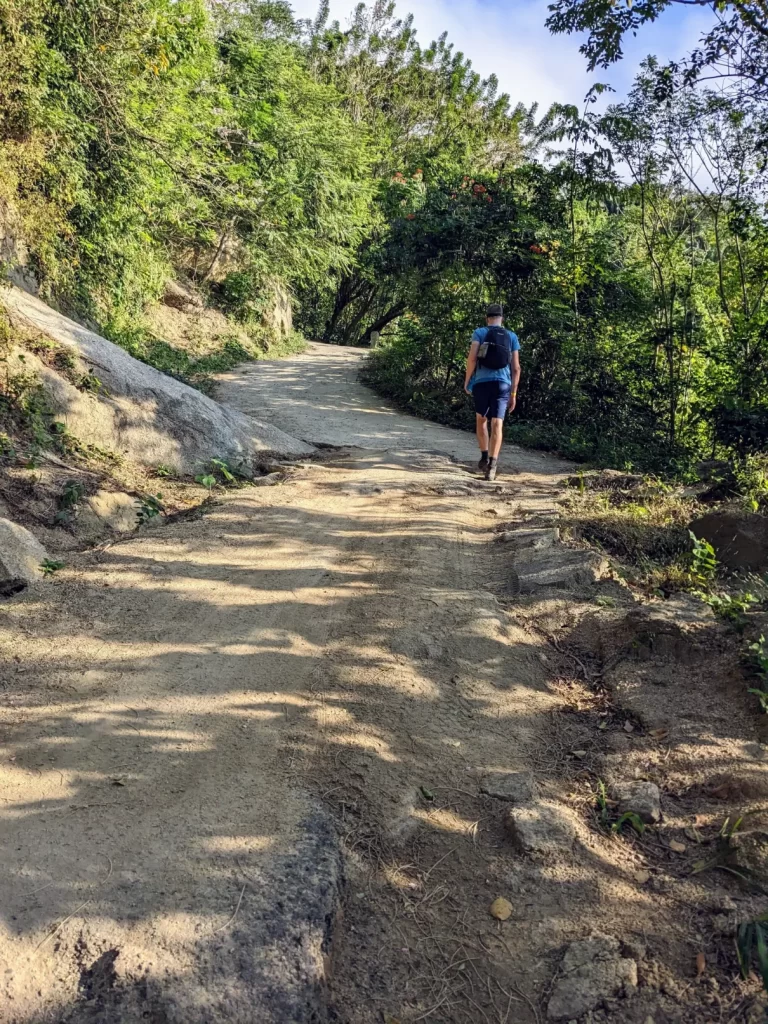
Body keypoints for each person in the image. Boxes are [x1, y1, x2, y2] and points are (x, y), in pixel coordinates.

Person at [464, 303, 520, 481]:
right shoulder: (511, 336)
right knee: (497, 423)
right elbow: (516, 368)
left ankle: (483, 456)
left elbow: (472, 358)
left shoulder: (479, 332)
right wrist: (513, 394)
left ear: (487, 318)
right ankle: (493, 465)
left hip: (482, 382)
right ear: (501, 318)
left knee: (481, 419)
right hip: (503, 385)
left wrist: (467, 381)